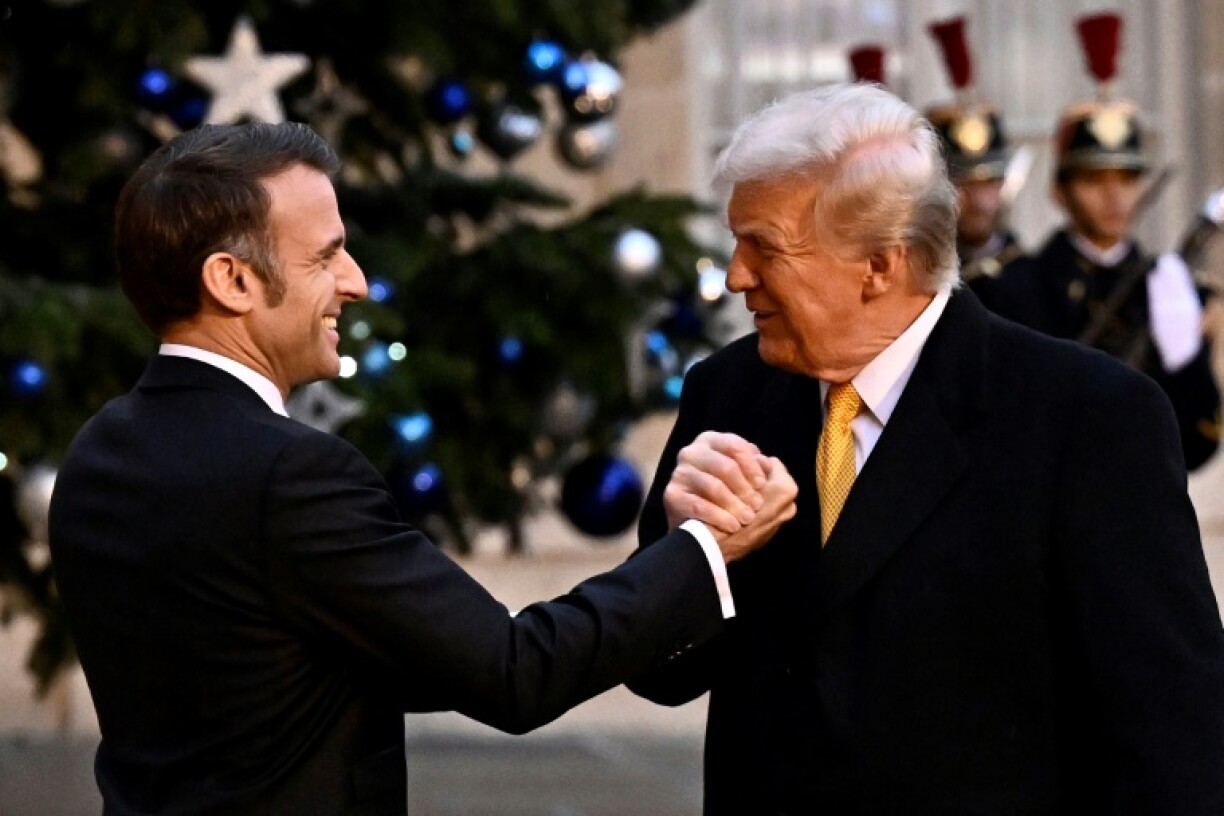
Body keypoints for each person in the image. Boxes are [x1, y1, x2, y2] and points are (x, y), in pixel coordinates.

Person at [46, 121, 798, 815]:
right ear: (231, 280)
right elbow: (514, 673)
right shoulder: (291, 476)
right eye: (325, 254)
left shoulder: (100, 453)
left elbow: (282, 673)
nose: (356, 281)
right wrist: (703, 548)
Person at [627, 82, 1224, 814]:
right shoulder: (728, 395)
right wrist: (686, 556)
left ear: (881, 263)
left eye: (765, 248)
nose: (736, 276)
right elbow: (660, 674)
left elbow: (1172, 735)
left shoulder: (1086, 418)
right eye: (735, 242)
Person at [1026, 11, 1220, 470]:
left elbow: (1198, 445)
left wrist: (1185, 359)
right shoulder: (1020, 289)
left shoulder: (1170, 288)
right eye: (1094, 179)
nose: (1115, 196)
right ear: (1059, 191)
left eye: (1128, 178)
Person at [925, 14, 1039, 324]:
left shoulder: (1039, 278)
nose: (979, 200)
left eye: (989, 182)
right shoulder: (919, 280)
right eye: (963, 183)